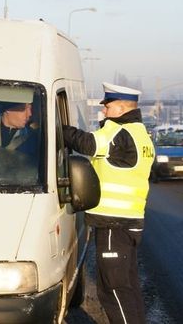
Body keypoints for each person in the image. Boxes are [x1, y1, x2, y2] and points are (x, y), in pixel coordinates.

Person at [62, 82, 154, 324]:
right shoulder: (141, 134)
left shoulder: (118, 132)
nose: (103, 111)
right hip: (129, 221)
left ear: (122, 108)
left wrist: (56, 128)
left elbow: (86, 143)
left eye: (108, 106)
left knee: (113, 290)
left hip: (114, 222)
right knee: (128, 289)